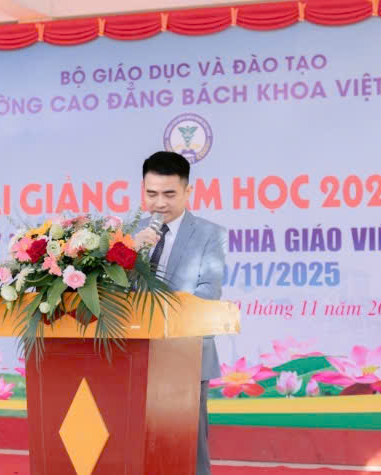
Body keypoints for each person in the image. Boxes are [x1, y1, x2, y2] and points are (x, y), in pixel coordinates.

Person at [134, 151, 227, 475]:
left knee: (189, 446)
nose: (159, 203)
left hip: (186, 353)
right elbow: (113, 291)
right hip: (134, 354)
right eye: (152, 193)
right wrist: (130, 254)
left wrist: (159, 313)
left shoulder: (210, 234)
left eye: (169, 194)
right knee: (136, 442)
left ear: (188, 192)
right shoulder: (130, 234)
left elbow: (208, 292)